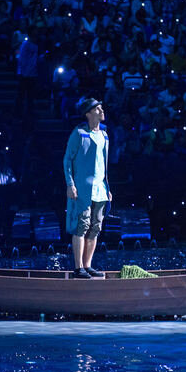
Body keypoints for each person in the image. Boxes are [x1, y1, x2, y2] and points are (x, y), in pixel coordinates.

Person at [63, 98, 113, 279]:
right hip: (83, 188)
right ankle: (78, 268)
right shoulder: (80, 133)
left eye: (101, 108)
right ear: (88, 113)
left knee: (95, 228)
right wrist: (70, 184)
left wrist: (107, 187)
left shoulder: (104, 135)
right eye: (97, 109)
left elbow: (103, 165)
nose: (101, 111)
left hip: (100, 188)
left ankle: (87, 265)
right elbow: (67, 159)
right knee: (81, 226)